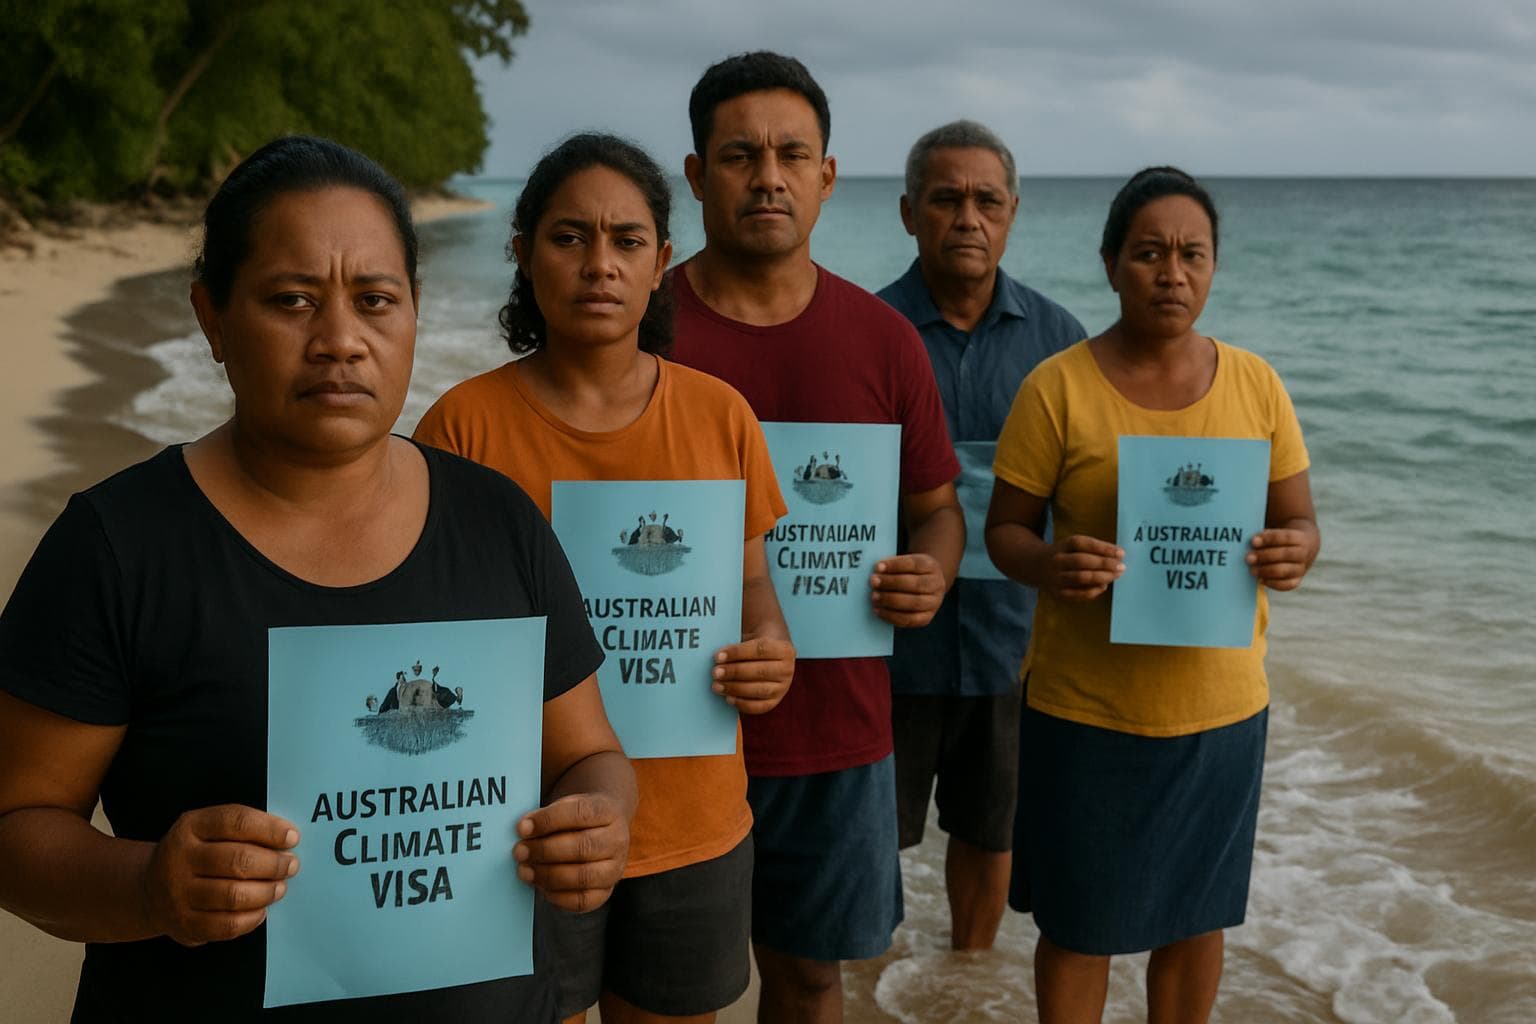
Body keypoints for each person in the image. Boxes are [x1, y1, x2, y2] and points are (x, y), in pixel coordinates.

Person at [0, 135, 637, 1023]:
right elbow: (18, 827)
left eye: (375, 300)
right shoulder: (119, 546)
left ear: (414, 312)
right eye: (291, 301)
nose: (340, 341)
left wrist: (599, 818)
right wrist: (149, 886)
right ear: (212, 318)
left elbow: (590, 754)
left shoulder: (498, 521)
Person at [414, 133, 795, 1024]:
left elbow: (753, 593)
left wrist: (770, 648)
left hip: (694, 822)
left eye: (627, 241)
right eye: (568, 237)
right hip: (521, 832)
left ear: (662, 263)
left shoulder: (720, 416)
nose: (599, 264)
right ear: (522, 253)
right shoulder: (460, 429)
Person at [984, 166, 1320, 1024]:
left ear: (1213, 267)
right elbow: (1005, 532)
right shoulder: (1057, 387)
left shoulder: (1257, 385)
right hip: (1086, 713)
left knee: (1196, 920)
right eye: (1149, 253)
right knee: (1078, 927)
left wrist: (1294, 552)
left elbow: (1299, 522)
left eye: (1192, 254)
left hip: (1220, 712)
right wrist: (1050, 565)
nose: (1172, 273)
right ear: (1110, 264)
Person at [668, 52, 965, 1023]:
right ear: (696, 174)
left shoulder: (885, 340)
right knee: (667, 995)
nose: (768, 177)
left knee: (808, 981)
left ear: (827, 176)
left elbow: (938, 508)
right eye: (739, 155)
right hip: (666, 726)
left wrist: (931, 571)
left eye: (792, 155)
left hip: (836, 731)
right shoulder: (641, 327)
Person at [876, 120, 1086, 951]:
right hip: (886, 639)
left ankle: (964, 976)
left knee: (991, 830)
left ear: (1013, 213)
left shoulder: (1060, 343)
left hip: (1014, 644)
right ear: (908, 212)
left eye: (987, 201)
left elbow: (1088, 489)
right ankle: (867, 982)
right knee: (869, 832)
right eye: (946, 199)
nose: (968, 217)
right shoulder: (868, 332)